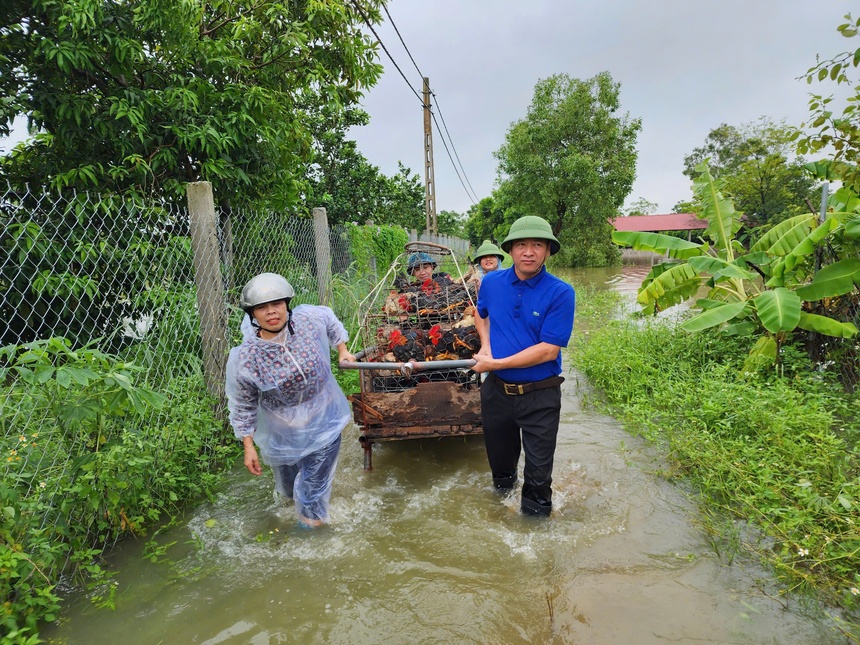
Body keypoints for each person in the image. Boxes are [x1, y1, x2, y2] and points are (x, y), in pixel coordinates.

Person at [225, 272, 356, 528]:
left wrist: (342, 349)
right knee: (287, 489)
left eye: (277, 304)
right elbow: (243, 404)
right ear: (252, 315)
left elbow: (330, 320)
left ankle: (309, 538)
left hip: (323, 418)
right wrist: (248, 445)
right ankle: (297, 512)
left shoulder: (308, 320)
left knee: (310, 491)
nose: (271, 312)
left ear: (287, 304)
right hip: (282, 429)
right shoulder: (246, 358)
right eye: (262, 307)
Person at [471, 216, 575, 517]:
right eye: (521, 245)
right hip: (497, 393)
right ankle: (499, 521)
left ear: (548, 252)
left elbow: (548, 350)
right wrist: (485, 345)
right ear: (511, 250)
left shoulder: (561, 292)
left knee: (539, 480)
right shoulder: (491, 282)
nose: (528, 252)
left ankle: (537, 542)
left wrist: (495, 362)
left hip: (540, 395)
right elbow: (481, 314)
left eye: (537, 245)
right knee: (501, 473)